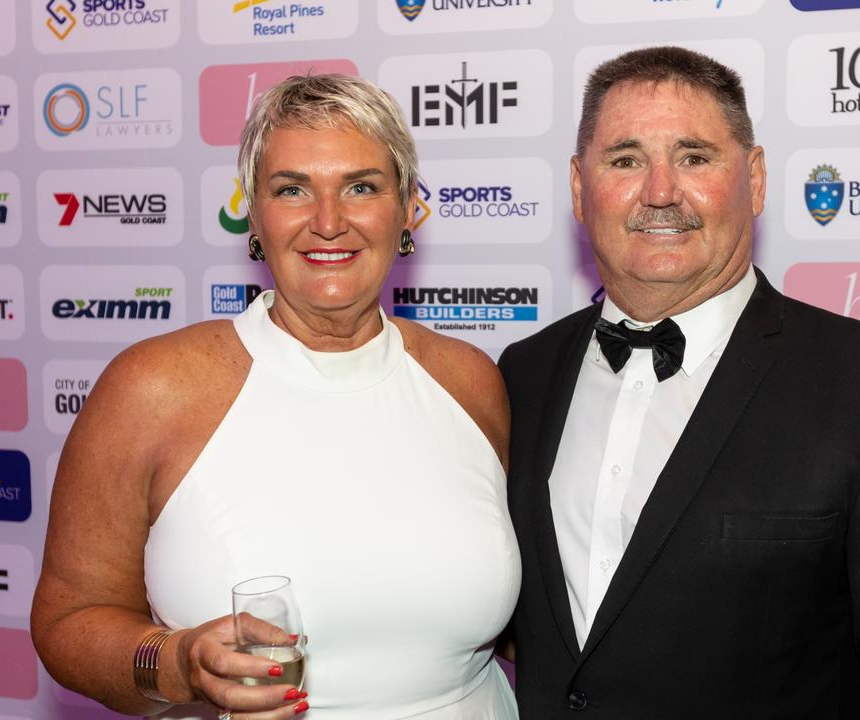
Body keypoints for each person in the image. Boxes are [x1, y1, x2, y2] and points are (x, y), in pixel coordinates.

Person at [497, 46, 860, 718]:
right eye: (625, 159)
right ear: (580, 189)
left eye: (695, 157)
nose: (661, 191)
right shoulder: (521, 374)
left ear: (755, 180)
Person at [32, 74, 521, 720]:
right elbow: (67, 620)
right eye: (292, 189)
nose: (328, 222)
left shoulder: (469, 380)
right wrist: (176, 664)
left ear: (406, 210)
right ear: (254, 217)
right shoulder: (151, 389)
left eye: (361, 187)